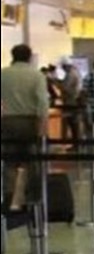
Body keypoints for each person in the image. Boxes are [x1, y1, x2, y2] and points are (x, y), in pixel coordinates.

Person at [0, 44, 48, 211]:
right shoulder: (36, 75)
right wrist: (42, 125)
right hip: (29, 122)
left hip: (7, 121)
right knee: (31, 160)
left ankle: (10, 197)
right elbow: (42, 102)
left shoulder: (3, 74)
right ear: (29, 57)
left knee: (9, 160)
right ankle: (31, 197)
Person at [58, 57, 82, 149]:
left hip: (71, 101)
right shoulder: (76, 72)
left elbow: (65, 88)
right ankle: (76, 144)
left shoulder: (71, 74)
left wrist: (57, 83)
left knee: (73, 123)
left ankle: (76, 144)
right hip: (73, 100)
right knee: (74, 123)